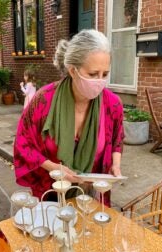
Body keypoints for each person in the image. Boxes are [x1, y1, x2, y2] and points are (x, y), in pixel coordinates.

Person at [14, 30, 124, 206]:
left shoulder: (112, 104)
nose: (100, 81)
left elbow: (117, 139)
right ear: (73, 71)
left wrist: (115, 164)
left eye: (105, 74)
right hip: (51, 192)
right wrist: (54, 168)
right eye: (93, 74)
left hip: (91, 196)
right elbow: (23, 144)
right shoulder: (43, 100)